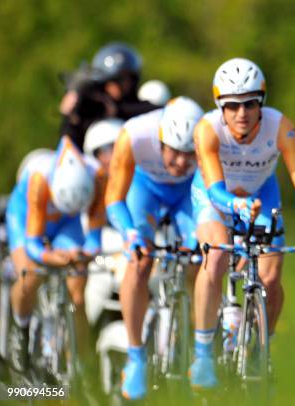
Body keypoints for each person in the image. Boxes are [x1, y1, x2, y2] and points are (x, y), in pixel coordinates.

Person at [189, 57, 295, 389]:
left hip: (262, 196)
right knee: (216, 255)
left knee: (271, 279)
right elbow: (215, 190)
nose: (241, 113)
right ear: (220, 107)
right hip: (216, 198)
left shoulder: (280, 126)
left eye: (249, 104)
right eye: (232, 106)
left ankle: (263, 347)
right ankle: (202, 353)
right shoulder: (206, 129)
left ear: (261, 102)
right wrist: (237, 205)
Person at [104, 96, 203, 399]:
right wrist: (130, 234)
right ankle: (136, 357)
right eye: (174, 152)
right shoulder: (134, 134)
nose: (182, 162)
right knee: (139, 261)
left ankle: (200, 344)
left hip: (189, 192)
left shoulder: (210, 134)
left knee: (200, 257)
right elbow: (114, 197)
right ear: (160, 141)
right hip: (144, 190)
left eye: (190, 154)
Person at [5, 136, 106, 372]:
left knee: (78, 293)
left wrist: (83, 253)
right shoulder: (39, 178)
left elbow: (94, 238)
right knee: (29, 273)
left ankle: (81, 366)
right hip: (25, 217)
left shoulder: (98, 176)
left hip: (67, 222)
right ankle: (21, 328)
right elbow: (33, 245)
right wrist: (51, 257)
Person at [60, 42, 159, 150]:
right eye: (112, 80)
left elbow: (156, 111)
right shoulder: (91, 107)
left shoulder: (139, 109)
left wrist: (116, 111)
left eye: (122, 79)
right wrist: (71, 119)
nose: (117, 85)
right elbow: (69, 148)